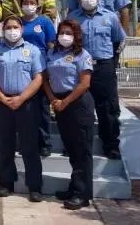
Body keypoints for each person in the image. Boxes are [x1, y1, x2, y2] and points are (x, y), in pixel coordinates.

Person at [0, 15, 45, 200]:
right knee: (5, 145)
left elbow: (39, 78)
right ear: (3, 30)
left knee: (30, 145)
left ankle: (35, 186)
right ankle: (7, 182)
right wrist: (2, 98)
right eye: (8, 27)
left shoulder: (32, 50)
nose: (12, 30)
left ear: (22, 29)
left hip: (27, 104)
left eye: (15, 27)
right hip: (2, 104)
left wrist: (21, 98)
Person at [68, 0, 126, 159]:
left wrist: (110, 62)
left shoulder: (110, 17)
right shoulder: (73, 18)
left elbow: (119, 41)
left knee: (108, 108)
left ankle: (110, 145)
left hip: (103, 66)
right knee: (77, 107)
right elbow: (67, 43)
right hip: (80, 68)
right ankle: (75, 145)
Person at [43, 19, 95, 210]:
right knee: (72, 151)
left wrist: (64, 102)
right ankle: (74, 187)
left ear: (76, 36)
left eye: (69, 33)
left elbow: (85, 84)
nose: (64, 36)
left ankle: (83, 194)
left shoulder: (82, 55)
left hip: (78, 104)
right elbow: (45, 79)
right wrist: (53, 100)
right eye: (61, 32)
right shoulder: (52, 53)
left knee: (82, 152)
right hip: (59, 103)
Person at [19, 0, 56, 157]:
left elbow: (51, 45)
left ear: (37, 5)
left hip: (40, 69)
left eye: (31, 2)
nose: (29, 5)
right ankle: (26, 142)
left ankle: (45, 143)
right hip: (21, 70)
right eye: (25, 2)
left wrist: (50, 66)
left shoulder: (44, 22)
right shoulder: (17, 22)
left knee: (42, 108)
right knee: (25, 109)